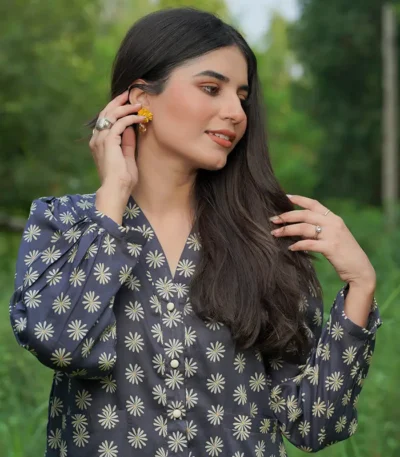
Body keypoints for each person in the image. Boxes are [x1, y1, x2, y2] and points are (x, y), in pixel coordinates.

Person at [9, 7, 382, 457]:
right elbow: (64, 345)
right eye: (211, 88)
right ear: (139, 99)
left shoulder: (264, 242)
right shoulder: (63, 224)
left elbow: (314, 423)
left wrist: (360, 287)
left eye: (242, 97)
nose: (235, 112)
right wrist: (112, 201)